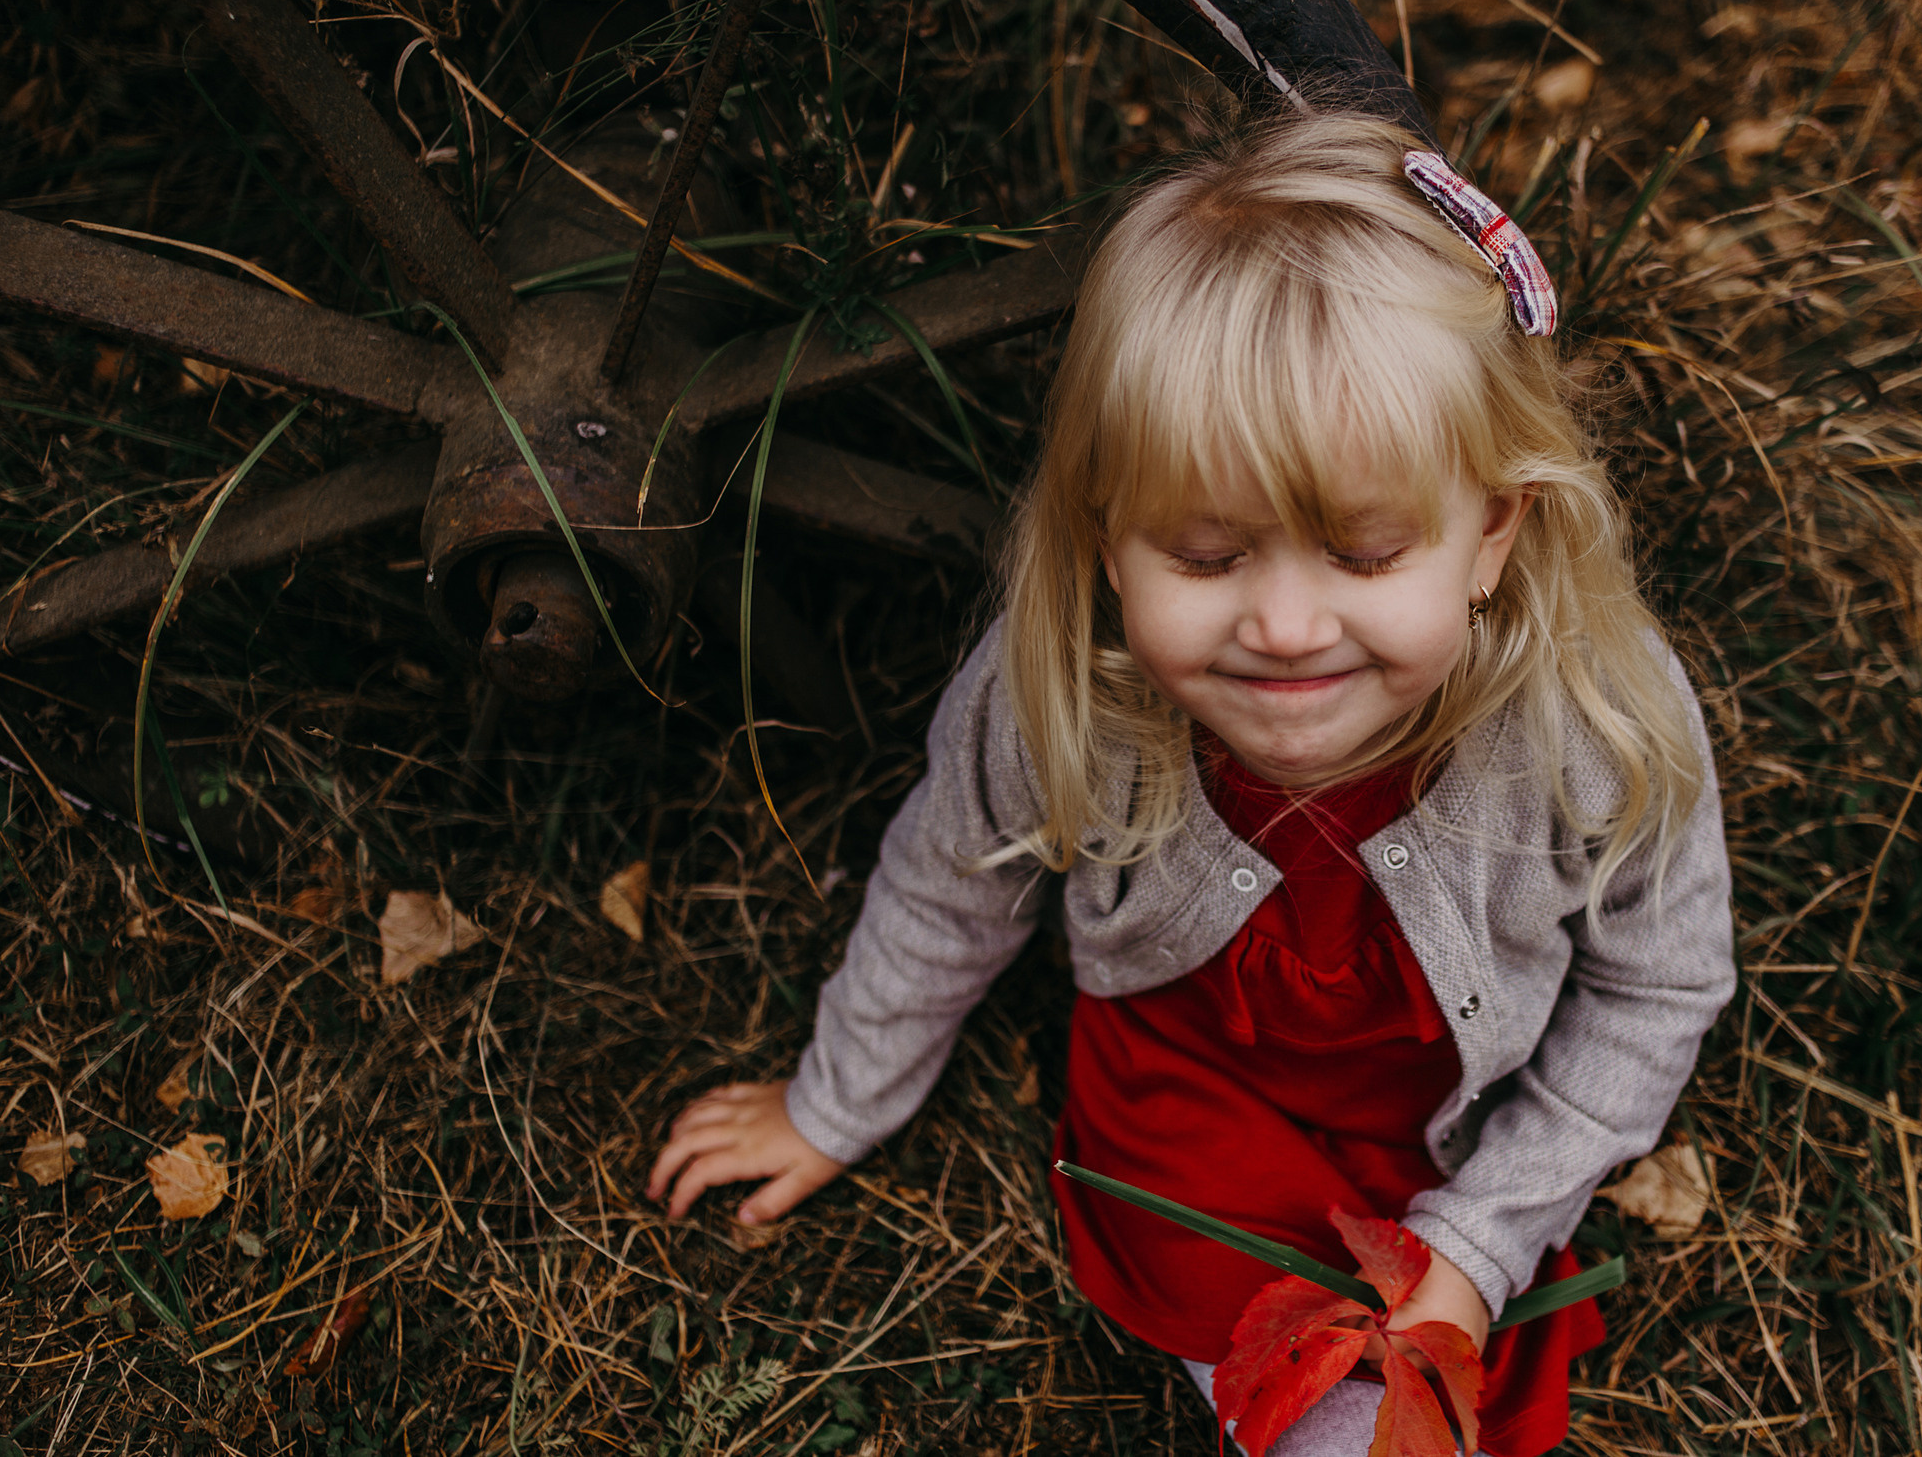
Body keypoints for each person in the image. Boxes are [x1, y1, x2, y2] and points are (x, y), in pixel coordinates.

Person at [646, 109, 1736, 1457]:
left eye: (1366, 555)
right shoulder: (1062, 691)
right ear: (1109, 541)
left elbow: (1660, 983)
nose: (1284, 627)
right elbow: (949, 884)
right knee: (1316, 1385)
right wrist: (836, 1098)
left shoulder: (1592, 724)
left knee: (1432, 1351)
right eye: (1209, 559)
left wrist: (1489, 1231)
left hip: (1468, 1128)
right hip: (1194, 1102)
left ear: (1492, 534)